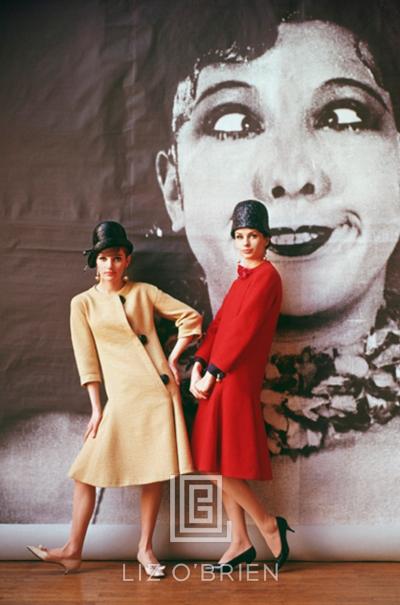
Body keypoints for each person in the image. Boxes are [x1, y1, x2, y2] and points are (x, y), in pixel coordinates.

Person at [153, 0, 400, 455]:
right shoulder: (49, 477)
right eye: (234, 122)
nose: (290, 177)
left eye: (343, 117)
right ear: (174, 190)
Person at [26, 220, 202, 575]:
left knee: (154, 472)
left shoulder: (144, 292)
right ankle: (73, 548)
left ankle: (145, 549)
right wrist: (96, 409)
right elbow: (86, 359)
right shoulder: (83, 304)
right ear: (95, 262)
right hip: (120, 398)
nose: (110, 265)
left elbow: (191, 318)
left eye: (117, 258)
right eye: (103, 258)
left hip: (156, 392)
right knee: (85, 473)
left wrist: (172, 358)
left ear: (127, 261)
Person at [189, 199, 294, 572]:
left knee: (216, 464)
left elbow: (243, 333)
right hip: (219, 374)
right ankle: (239, 541)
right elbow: (218, 328)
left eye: (253, 236)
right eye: (239, 236)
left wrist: (211, 373)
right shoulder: (240, 279)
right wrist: (198, 363)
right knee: (219, 461)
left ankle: (267, 524)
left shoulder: (266, 277)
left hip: (234, 379)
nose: (246, 242)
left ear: (266, 240)